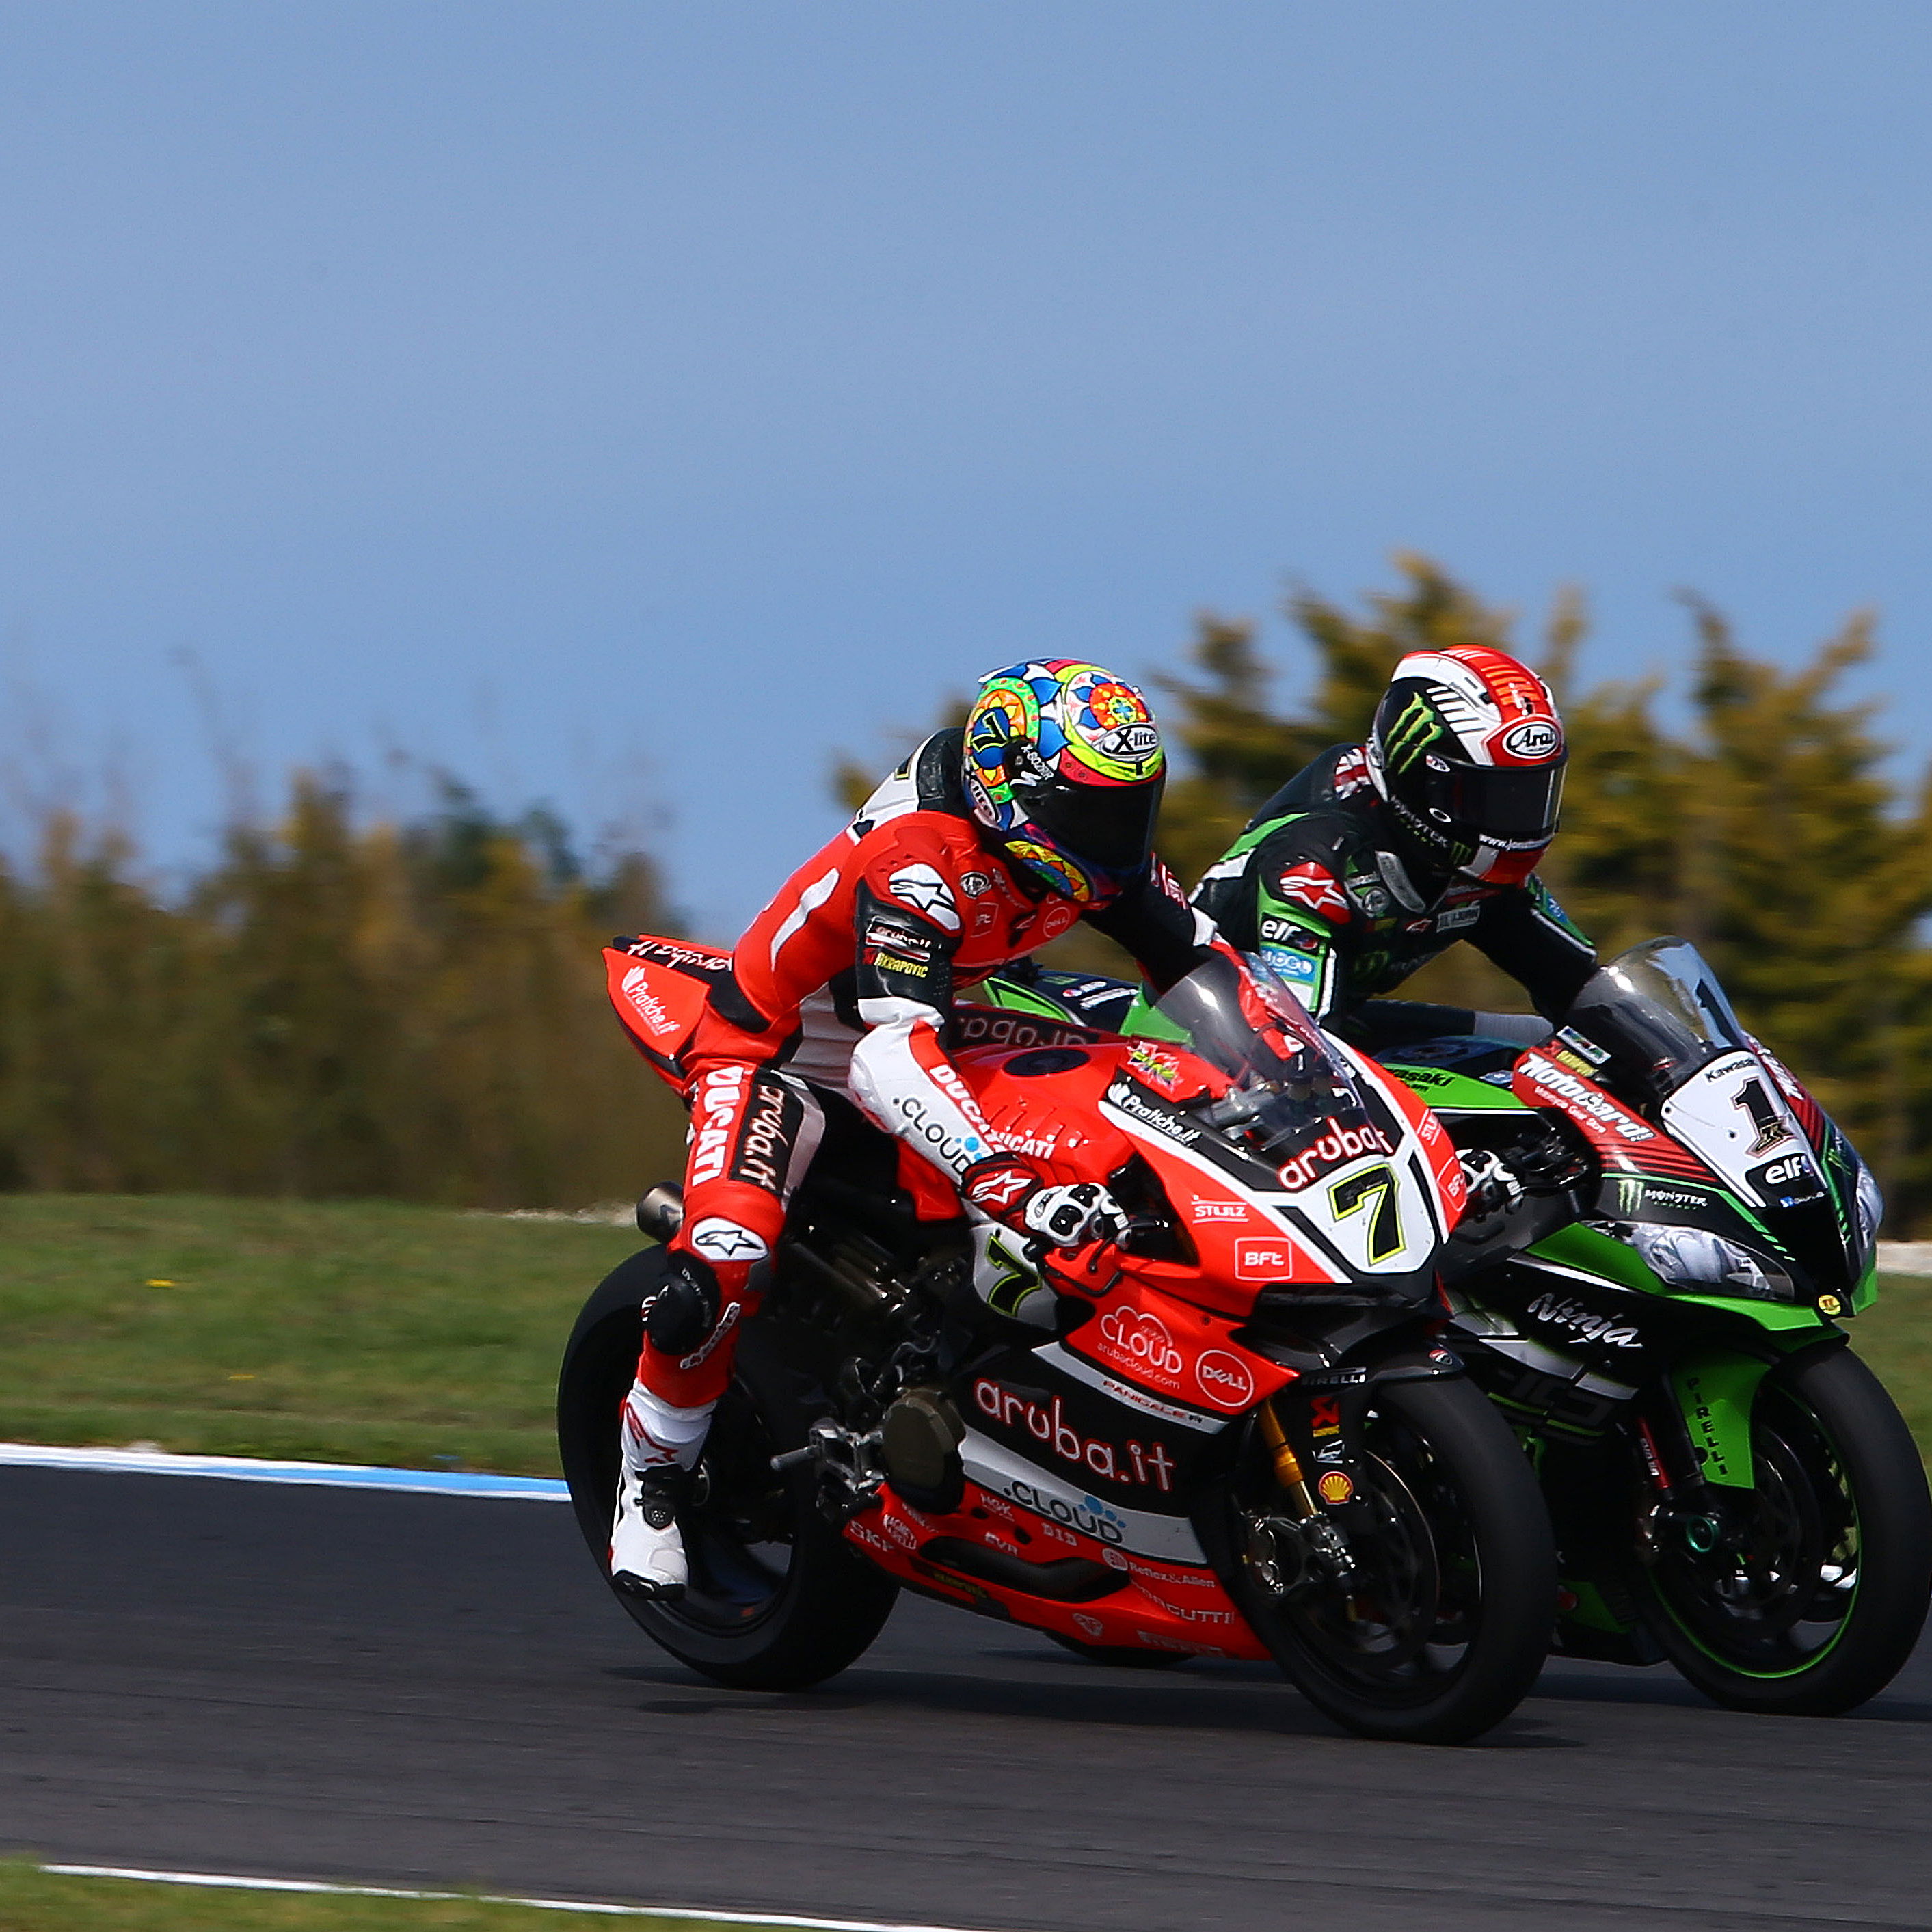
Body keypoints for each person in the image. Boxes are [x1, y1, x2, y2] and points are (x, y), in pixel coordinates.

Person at [610, 660, 1227, 1598]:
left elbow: (1207, 967)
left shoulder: (1084, 851)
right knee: (727, 1253)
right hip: (783, 1051)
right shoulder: (917, 858)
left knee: (1131, 1117)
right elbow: (888, 1059)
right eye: (1091, 811)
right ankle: (652, 1471)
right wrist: (1006, 1182)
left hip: (941, 1011)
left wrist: (1292, 1070)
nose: (1117, 838)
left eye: (1129, 810)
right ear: (1007, 786)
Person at [1190, 645, 1597, 1051]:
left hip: (1331, 1028)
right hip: (1211, 1050)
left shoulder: (1480, 871)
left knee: (1557, 1047)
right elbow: (1303, 1050)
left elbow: (1586, 990)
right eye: (1496, 799)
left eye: (1532, 796)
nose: (1518, 824)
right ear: (1423, 781)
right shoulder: (1314, 863)